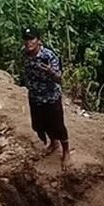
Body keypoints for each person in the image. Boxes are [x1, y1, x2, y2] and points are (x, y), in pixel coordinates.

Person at [21, 28, 69, 166]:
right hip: (35, 96)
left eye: (32, 39)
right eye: (26, 39)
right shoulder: (24, 54)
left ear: (39, 41)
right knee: (39, 125)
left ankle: (66, 151)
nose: (28, 42)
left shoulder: (48, 56)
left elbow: (59, 79)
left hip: (51, 97)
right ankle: (53, 143)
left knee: (58, 125)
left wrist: (50, 72)